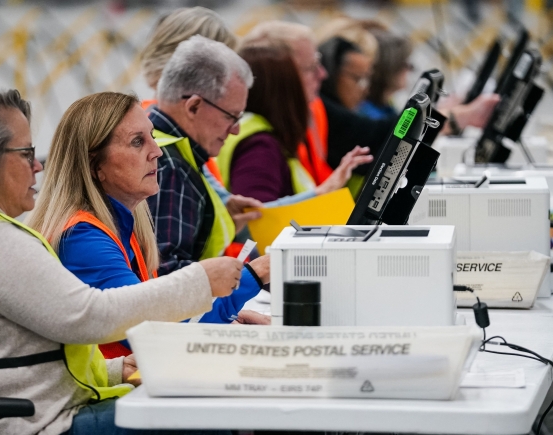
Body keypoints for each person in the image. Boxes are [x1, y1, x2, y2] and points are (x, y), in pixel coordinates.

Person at [0, 89, 250, 435]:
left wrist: (116, 368)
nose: (37, 166)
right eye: (24, 153)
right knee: (193, 416)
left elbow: (22, 360)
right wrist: (201, 281)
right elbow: (91, 316)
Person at [27, 92, 270, 357]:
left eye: (152, 137)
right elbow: (154, 335)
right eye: (137, 142)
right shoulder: (82, 238)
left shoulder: (118, 226)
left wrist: (227, 315)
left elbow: (162, 319)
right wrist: (253, 275)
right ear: (95, 165)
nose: (156, 152)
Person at [243, 20, 500, 172]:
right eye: (310, 68)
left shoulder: (313, 114)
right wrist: (451, 118)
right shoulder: (261, 144)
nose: (320, 75)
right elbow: (380, 137)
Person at [147, 35, 261, 275]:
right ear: (194, 106)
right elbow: (168, 278)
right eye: (231, 116)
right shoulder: (170, 168)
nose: (236, 129)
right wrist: (249, 277)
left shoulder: (158, 143)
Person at [216, 42, 372, 204]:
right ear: (285, 90)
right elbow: (257, 217)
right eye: (298, 78)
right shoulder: (260, 147)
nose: (321, 75)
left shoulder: (257, 134)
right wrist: (322, 192)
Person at [358, 29, 413, 119]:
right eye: (406, 63)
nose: (410, 68)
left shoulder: (387, 108)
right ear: (390, 67)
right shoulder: (364, 112)